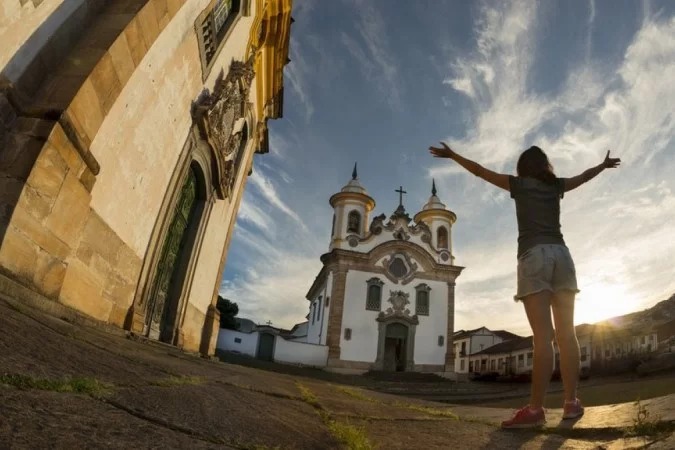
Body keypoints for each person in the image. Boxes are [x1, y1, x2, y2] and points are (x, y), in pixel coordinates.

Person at [429, 143, 620, 428]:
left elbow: (480, 172)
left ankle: (535, 410)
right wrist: (602, 167)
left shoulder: (517, 185)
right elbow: (582, 178)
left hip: (533, 257)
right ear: (546, 165)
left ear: (522, 167)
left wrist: (453, 155)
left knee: (542, 338)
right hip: (562, 256)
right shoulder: (556, 185)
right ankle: (571, 403)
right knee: (567, 335)